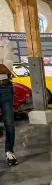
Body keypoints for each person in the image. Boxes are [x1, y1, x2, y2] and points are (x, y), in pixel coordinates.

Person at [0, 36, 17, 165]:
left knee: (9, 123)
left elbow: (6, 68)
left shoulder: (6, 43)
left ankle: (9, 151)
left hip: (4, 87)